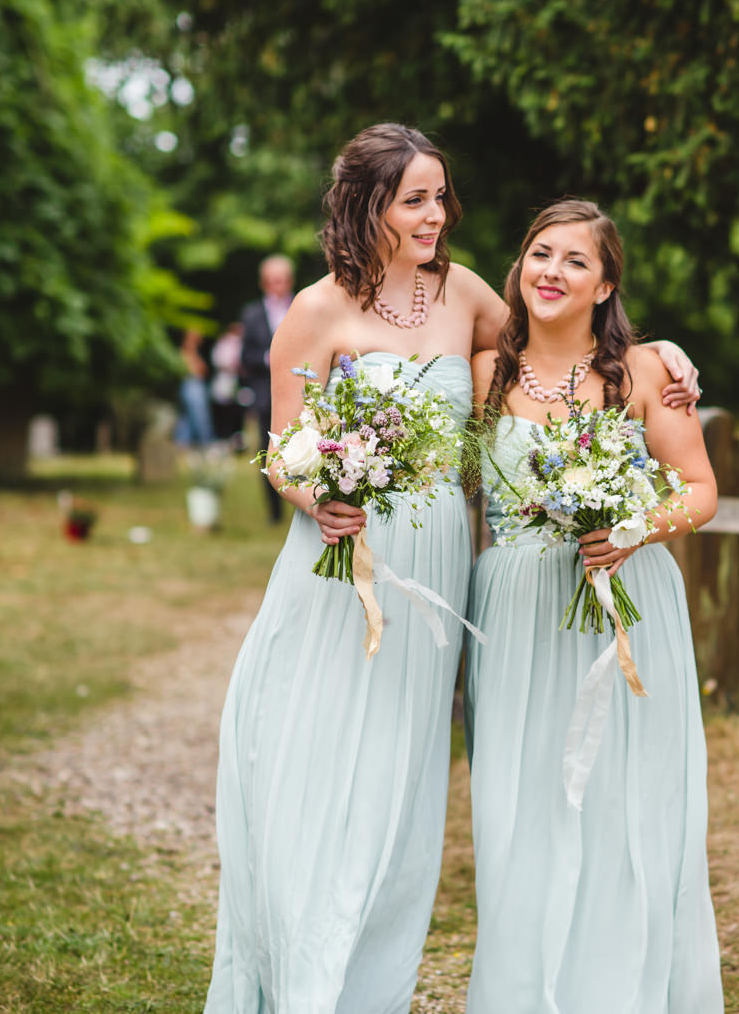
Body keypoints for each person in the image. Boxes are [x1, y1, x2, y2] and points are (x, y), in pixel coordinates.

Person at [203, 125, 701, 1014]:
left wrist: (666, 360)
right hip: (345, 560)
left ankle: (375, 986)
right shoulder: (314, 310)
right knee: (321, 757)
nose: (437, 215)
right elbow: (283, 446)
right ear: (368, 208)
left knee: (407, 770)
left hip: (442, 566)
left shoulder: (465, 293)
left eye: (441, 196)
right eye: (415, 200)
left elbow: (567, 353)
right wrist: (316, 494)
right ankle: (304, 975)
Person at [464, 199, 723, 1012]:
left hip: (624, 602)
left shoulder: (648, 371)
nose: (552, 271)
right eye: (541, 253)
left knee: (621, 797)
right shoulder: (483, 374)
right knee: (521, 797)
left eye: (576, 260)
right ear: (519, 266)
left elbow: (702, 491)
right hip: (514, 610)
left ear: (605, 283)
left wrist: (636, 525)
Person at [239, 255, 297, 522]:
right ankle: (274, 513)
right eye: (274, 281)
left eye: (283, 280)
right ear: (264, 283)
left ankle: (304, 505)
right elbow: (245, 358)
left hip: (300, 391)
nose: (279, 286)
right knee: (267, 452)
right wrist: (271, 357)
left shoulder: (302, 307)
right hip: (265, 394)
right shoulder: (251, 315)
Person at [208, 321, 247, 446]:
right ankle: (225, 438)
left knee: (234, 412)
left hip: (236, 383)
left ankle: (233, 439)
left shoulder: (236, 343)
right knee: (225, 412)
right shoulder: (226, 343)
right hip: (225, 382)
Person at [174, 328, 214, 448]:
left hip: (194, 387)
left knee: (186, 418)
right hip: (192, 388)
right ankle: (205, 444)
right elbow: (198, 370)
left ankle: (182, 444)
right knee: (199, 417)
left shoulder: (194, 353)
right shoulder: (186, 353)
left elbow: (203, 370)